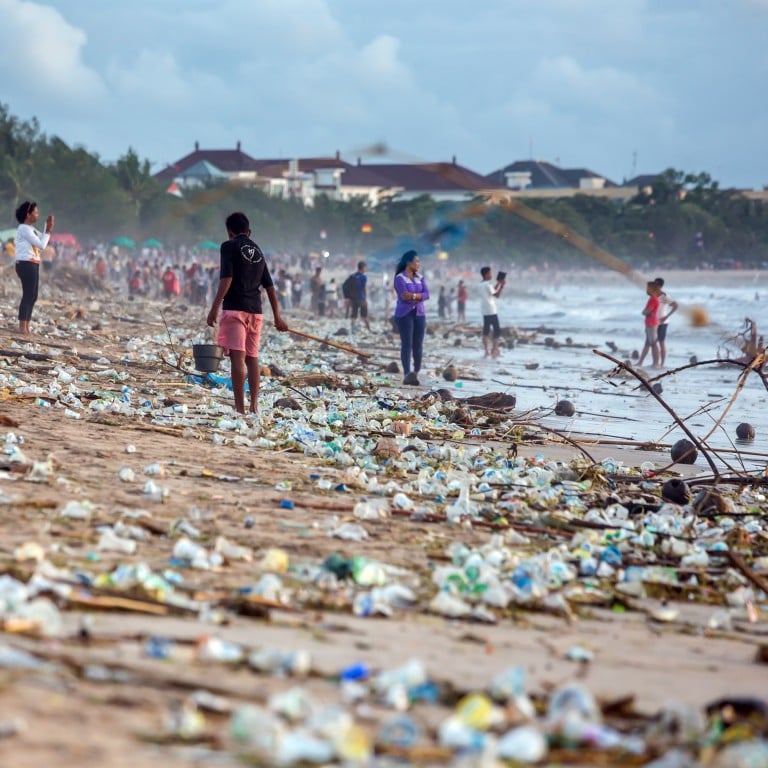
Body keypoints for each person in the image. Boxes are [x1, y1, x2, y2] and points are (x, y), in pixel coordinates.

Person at [206, 211, 289, 414]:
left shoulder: (228, 246)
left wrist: (214, 307)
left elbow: (227, 279)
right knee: (252, 359)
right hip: (256, 312)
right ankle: (254, 406)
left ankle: (240, 408)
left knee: (237, 358)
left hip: (236, 309)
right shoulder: (258, 251)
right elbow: (270, 287)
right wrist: (277, 317)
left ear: (230, 232)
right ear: (248, 232)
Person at [13, 200, 54, 335]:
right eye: (35, 212)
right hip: (26, 264)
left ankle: (26, 325)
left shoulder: (31, 230)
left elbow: (43, 238)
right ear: (28, 214)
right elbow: (42, 245)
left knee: (33, 295)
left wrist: (46, 229)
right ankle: (22, 327)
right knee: (28, 295)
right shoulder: (24, 229)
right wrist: (47, 231)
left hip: (33, 263)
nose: (37, 214)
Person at [393, 250, 430, 385]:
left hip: (419, 313)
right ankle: (407, 373)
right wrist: (419, 296)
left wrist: (414, 296)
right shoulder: (400, 278)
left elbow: (427, 294)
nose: (418, 264)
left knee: (418, 345)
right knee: (407, 344)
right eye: (416, 261)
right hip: (404, 314)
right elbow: (404, 296)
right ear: (409, 262)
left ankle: (416, 372)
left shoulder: (420, 277)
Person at [480, 266, 505, 358]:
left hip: (484, 310)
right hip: (491, 310)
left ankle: (486, 351)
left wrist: (498, 284)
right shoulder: (488, 284)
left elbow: (492, 291)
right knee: (497, 330)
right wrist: (502, 286)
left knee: (486, 331)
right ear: (486, 274)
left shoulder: (481, 284)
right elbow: (497, 295)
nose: (491, 275)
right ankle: (494, 349)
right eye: (490, 273)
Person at [653, 276, 678, 367]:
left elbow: (675, 306)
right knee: (654, 343)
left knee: (661, 342)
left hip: (663, 322)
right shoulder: (654, 295)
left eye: (656, 284)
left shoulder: (665, 296)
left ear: (660, 286)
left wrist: (666, 316)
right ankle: (655, 363)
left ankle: (662, 363)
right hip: (654, 322)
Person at [637, 280, 662, 368]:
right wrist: (645, 312)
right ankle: (640, 362)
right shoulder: (651, 299)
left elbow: (647, 311)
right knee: (647, 343)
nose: (647, 290)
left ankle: (656, 363)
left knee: (653, 343)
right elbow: (645, 311)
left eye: (648, 288)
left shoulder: (653, 299)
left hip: (652, 323)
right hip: (649, 323)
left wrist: (646, 312)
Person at [350, 260, 371, 331]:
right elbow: (364, 288)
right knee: (365, 315)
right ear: (362, 268)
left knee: (354, 315)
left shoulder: (353, 276)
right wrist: (365, 298)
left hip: (353, 299)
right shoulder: (363, 277)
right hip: (361, 298)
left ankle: (352, 329)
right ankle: (369, 329)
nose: (366, 269)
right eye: (365, 267)